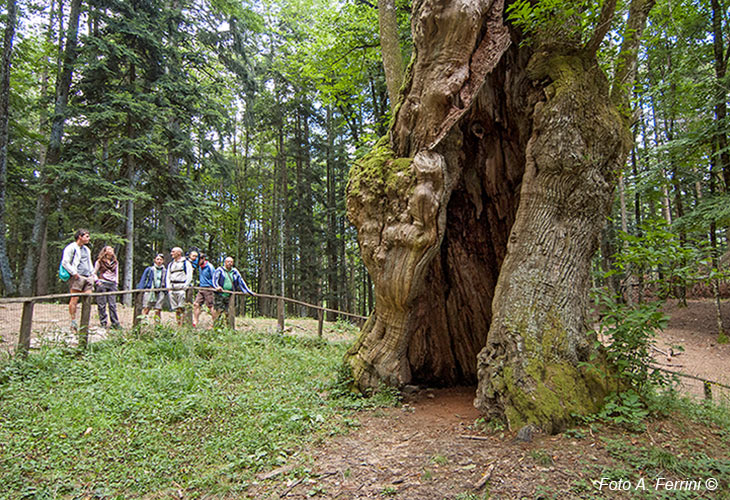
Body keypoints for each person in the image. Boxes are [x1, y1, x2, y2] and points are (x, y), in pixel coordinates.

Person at [61, 229, 94, 332]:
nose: (88, 238)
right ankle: (73, 321)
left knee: (88, 299)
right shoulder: (71, 248)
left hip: (87, 276)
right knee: (74, 299)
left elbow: (89, 262)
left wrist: (92, 274)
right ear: (80, 236)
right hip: (77, 277)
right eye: (87, 236)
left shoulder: (87, 250)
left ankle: (85, 322)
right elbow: (65, 262)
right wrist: (74, 273)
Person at [212, 256, 253, 327]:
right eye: (228, 262)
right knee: (218, 310)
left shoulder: (235, 271)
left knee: (229, 312)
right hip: (220, 294)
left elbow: (241, 281)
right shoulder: (220, 270)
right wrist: (217, 287)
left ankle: (229, 327)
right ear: (225, 262)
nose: (229, 263)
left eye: (231, 262)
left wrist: (247, 291)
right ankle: (217, 326)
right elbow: (214, 279)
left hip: (230, 295)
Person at [93, 245, 121, 330]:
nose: (111, 250)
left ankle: (115, 323)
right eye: (108, 249)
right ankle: (103, 323)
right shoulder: (100, 261)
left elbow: (116, 273)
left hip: (112, 284)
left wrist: (116, 282)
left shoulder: (115, 262)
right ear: (105, 251)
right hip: (103, 283)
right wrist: (97, 281)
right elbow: (94, 272)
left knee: (112, 305)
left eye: (111, 249)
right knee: (102, 304)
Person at [166, 247, 193, 326]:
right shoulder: (171, 264)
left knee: (182, 307)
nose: (171, 254)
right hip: (173, 287)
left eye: (173, 252)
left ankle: (183, 324)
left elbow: (189, 275)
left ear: (179, 253)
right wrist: (169, 287)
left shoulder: (186, 263)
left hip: (181, 287)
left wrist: (185, 286)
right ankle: (178, 324)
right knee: (176, 308)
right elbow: (168, 276)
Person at [136, 253, 167, 323]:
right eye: (158, 259)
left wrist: (166, 291)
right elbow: (143, 279)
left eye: (161, 259)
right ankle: (144, 322)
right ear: (154, 260)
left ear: (163, 261)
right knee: (146, 307)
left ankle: (157, 324)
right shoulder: (150, 269)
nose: (159, 261)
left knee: (158, 309)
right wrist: (141, 289)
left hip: (161, 291)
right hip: (150, 290)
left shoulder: (165, 271)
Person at [192, 253, 216, 327]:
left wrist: (214, 287)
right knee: (196, 304)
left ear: (203, 259)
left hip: (209, 288)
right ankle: (195, 321)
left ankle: (214, 323)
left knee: (211, 306)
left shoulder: (210, 267)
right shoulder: (200, 267)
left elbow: (214, 277)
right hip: (201, 287)